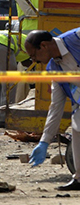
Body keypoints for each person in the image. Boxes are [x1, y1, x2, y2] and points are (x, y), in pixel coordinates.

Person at [26, 28, 80, 191]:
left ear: (43, 46)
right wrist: (44, 141)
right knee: (77, 128)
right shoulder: (54, 70)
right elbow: (55, 107)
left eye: (33, 55)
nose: (34, 60)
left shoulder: (76, 38)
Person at [0, 30, 32, 128]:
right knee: (9, 83)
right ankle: (5, 118)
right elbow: (28, 62)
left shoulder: (25, 39)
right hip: (2, 44)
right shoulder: (32, 47)